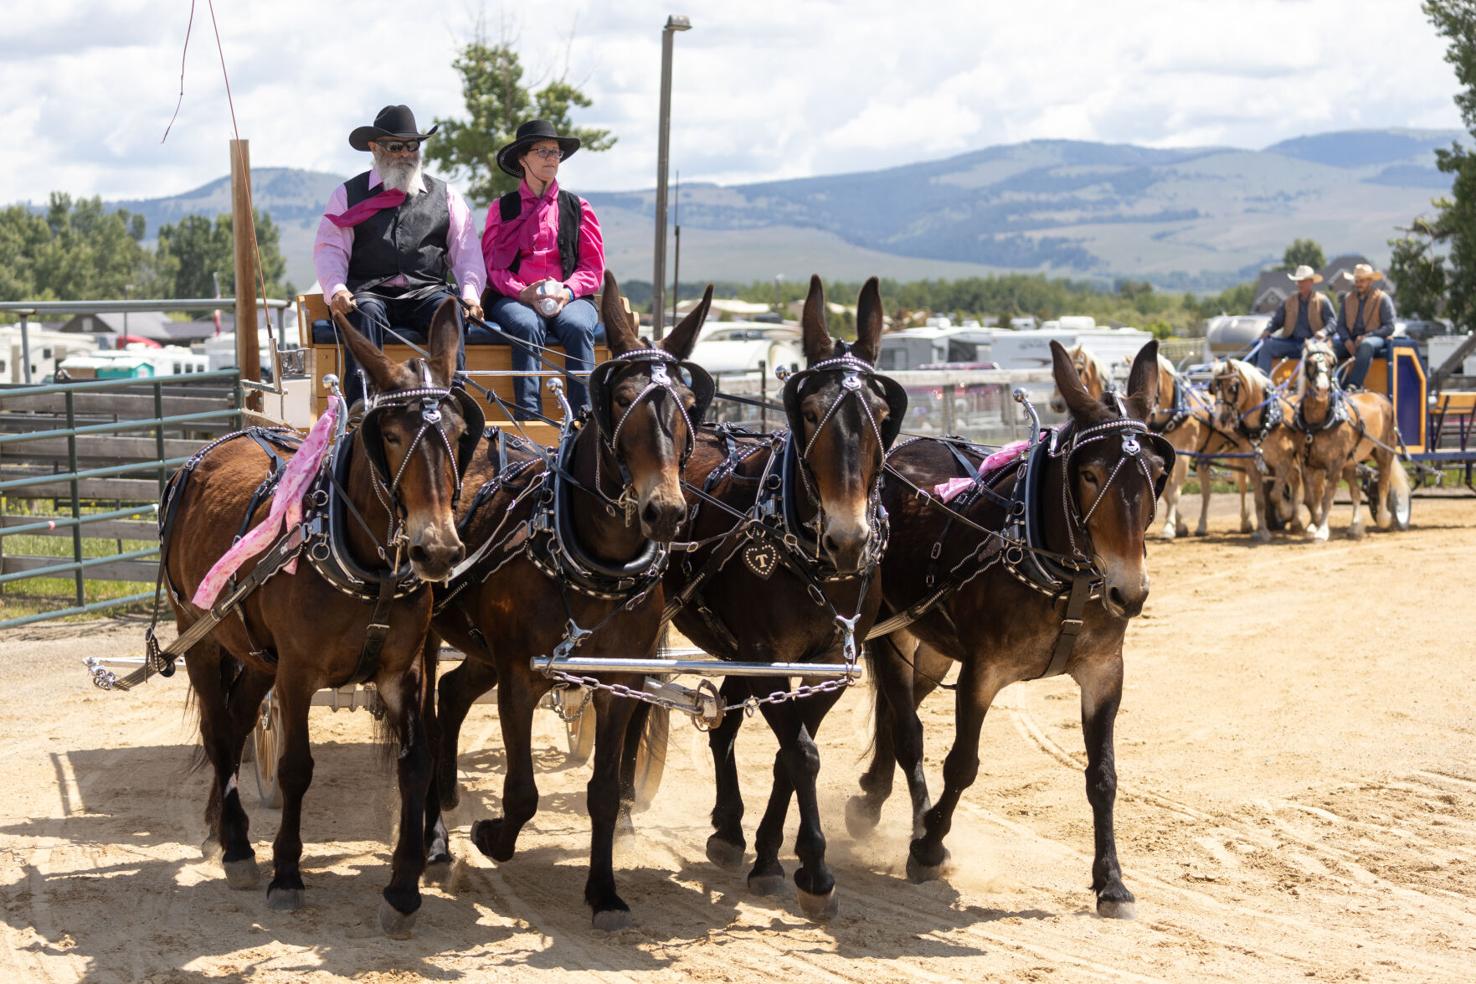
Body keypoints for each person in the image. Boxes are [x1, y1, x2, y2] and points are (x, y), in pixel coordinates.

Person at [313, 104, 485, 405]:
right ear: (374, 148)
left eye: (412, 146)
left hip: (426, 291)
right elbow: (330, 251)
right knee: (364, 312)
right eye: (396, 146)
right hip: (369, 293)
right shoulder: (347, 195)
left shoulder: (445, 194)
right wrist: (337, 290)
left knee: (449, 309)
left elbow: (467, 251)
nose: (406, 153)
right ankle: (361, 407)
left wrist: (471, 295)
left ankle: (453, 400)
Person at [481, 119, 606, 420]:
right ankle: (529, 418)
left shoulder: (578, 207)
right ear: (523, 159)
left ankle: (584, 418)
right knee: (526, 325)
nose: (552, 158)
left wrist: (567, 290)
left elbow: (593, 268)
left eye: (556, 152)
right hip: (514, 297)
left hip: (570, 297)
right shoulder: (502, 208)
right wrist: (521, 293)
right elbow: (491, 266)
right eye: (543, 151)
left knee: (577, 327)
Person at [1256, 265, 1334, 374]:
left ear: (1311, 282)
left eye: (1302, 281)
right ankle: (1264, 383)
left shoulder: (1322, 300)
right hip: (1291, 342)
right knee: (1266, 346)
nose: (1299, 284)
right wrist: (1268, 330)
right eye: (1298, 281)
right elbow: (1277, 321)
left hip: (1314, 343)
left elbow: (1332, 322)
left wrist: (1323, 332)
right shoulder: (1289, 301)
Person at [1333, 263, 1396, 389]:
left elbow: (1389, 327)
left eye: (1362, 281)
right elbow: (1340, 326)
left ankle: (1353, 385)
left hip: (1375, 339)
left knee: (1365, 345)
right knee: (1327, 348)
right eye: (1357, 281)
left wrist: (1368, 336)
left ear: (1370, 281)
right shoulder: (1347, 299)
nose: (1358, 284)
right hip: (1351, 340)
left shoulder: (1382, 299)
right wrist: (1346, 340)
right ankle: (1331, 384)